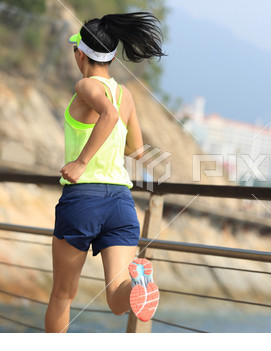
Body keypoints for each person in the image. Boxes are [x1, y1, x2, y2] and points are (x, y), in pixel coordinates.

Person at [44, 12, 165, 333]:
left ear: (80, 54)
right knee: (116, 299)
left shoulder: (85, 85)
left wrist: (81, 162)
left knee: (62, 295)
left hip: (84, 199)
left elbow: (107, 115)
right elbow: (136, 150)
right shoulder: (125, 94)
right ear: (110, 56)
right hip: (121, 203)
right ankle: (140, 284)